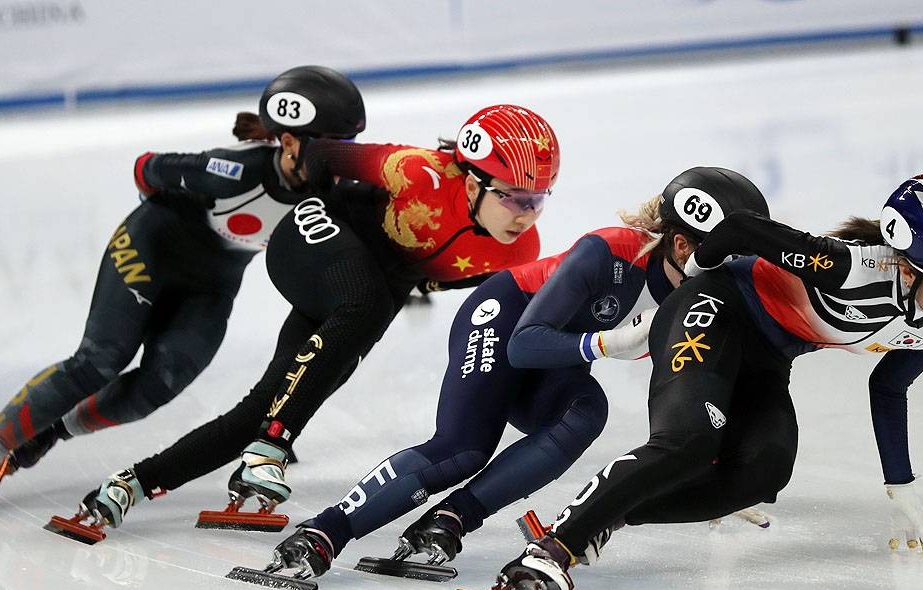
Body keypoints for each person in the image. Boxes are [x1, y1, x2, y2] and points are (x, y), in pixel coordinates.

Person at [493, 172, 923, 590]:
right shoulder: (849, 268)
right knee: (691, 441)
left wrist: (901, 486)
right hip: (714, 309)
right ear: (909, 264)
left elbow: (889, 390)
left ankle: (605, 516)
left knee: (763, 471)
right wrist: (694, 275)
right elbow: (740, 228)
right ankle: (554, 547)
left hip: (767, 357)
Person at [247, 167, 771, 582]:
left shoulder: (699, 300)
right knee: (462, 450)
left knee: (587, 413)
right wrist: (607, 343)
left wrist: (718, 466)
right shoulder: (609, 251)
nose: (738, 274)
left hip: (557, 363)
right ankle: (325, 532)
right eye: (729, 258)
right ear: (683, 246)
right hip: (504, 319)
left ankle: (449, 520)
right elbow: (525, 344)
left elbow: (692, 392)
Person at [61, 104, 562, 535]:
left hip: (366, 290)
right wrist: (298, 175)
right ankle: (272, 448)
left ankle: (128, 485)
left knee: (269, 400)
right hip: (315, 235)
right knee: (361, 308)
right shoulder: (416, 171)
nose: (526, 214)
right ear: (472, 180)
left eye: (538, 200)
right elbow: (321, 154)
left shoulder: (519, 249)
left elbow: (456, 290)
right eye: (514, 197)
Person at [0, 66, 367, 520]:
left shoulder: (336, 196)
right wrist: (166, 225)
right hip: (152, 247)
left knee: (157, 387)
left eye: (348, 147)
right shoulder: (232, 172)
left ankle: (48, 433)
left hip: (212, 283)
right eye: (333, 147)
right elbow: (146, 169)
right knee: (100, 360)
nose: (343, 159)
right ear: (289, 142)